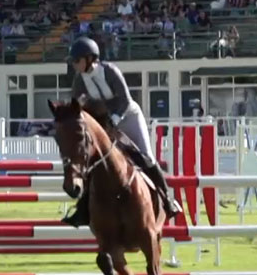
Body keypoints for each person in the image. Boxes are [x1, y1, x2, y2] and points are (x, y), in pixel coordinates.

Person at [61, 37, 182, 227]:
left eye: (77, 61)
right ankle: (83, 210)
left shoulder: (110, 71)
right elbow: (78, 107)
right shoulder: (79, 81)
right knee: (93, 163)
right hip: (105, 123)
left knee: (146, 157)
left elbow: (124, 100)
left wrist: (114, 120)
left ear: (89, 58)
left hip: (128, 116)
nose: (75, 65)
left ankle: (168, 200)